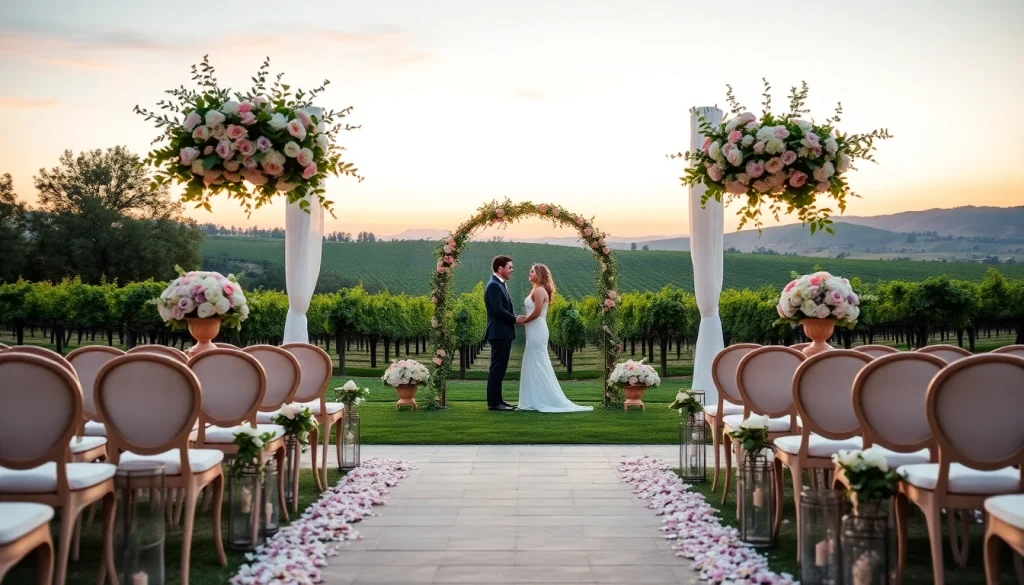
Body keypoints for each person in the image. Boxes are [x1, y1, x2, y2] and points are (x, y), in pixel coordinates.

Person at [518, 264, 592, 413]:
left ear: (539, 274)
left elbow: (537, 312)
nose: (529, 273)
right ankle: (533, 398)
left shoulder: (539, 290)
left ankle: (541, 398)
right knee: (533, 360)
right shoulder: (537, 289)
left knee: (537, 361)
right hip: (533, 329)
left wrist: (523, 321)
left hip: (537, 328)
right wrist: (524, 319)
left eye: (532, 271)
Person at [483, 255, 521, 411]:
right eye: (509, 267)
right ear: (500, 268)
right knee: (497, 368)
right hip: (499, 333)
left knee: (500, 368)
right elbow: (498, 310)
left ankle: (499, 400)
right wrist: (515, 319)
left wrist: (514, 319)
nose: (512, 270)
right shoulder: (494, 285)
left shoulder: (499, 284)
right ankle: (494, 403)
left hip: (502, 333)